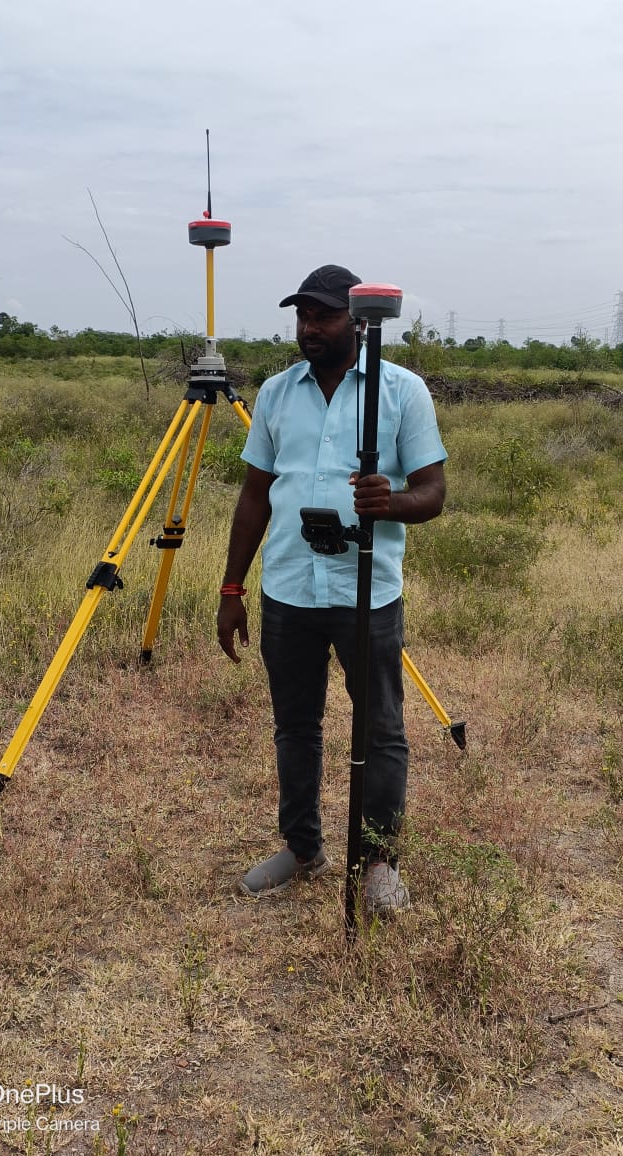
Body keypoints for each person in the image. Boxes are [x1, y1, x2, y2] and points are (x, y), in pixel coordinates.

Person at [216, 264, 447, 913]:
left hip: (364, 592)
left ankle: (378, 862)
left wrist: (391, 502)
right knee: (294, 724)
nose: (308, 328)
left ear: (359, 320)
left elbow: (432, 494)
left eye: (322, 316)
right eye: (302, 316)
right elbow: (255, 495)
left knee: (379, 731)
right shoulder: (275, 393)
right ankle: (302, 847)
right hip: (287, 587)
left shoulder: (400, 392)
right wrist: (232, 587)